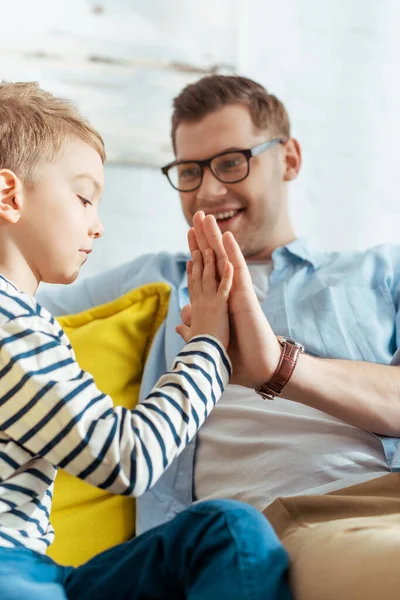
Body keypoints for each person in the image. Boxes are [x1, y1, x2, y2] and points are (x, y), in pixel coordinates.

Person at [38, 74, 400, 600]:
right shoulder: (156, 281)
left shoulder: (380, 273)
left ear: (290, 159)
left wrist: (280, 365)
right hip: (280, 528)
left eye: (232, 162)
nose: (208, 190)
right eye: (189, 171)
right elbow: (16, 303)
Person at [0, 81, 292, 600]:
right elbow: (126, 458)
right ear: (9, 195)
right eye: (85, 198)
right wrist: (208, 346)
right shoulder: (8, 321)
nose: (98, 226)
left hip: (39, 567)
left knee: (225, 528)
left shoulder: (26, 317)